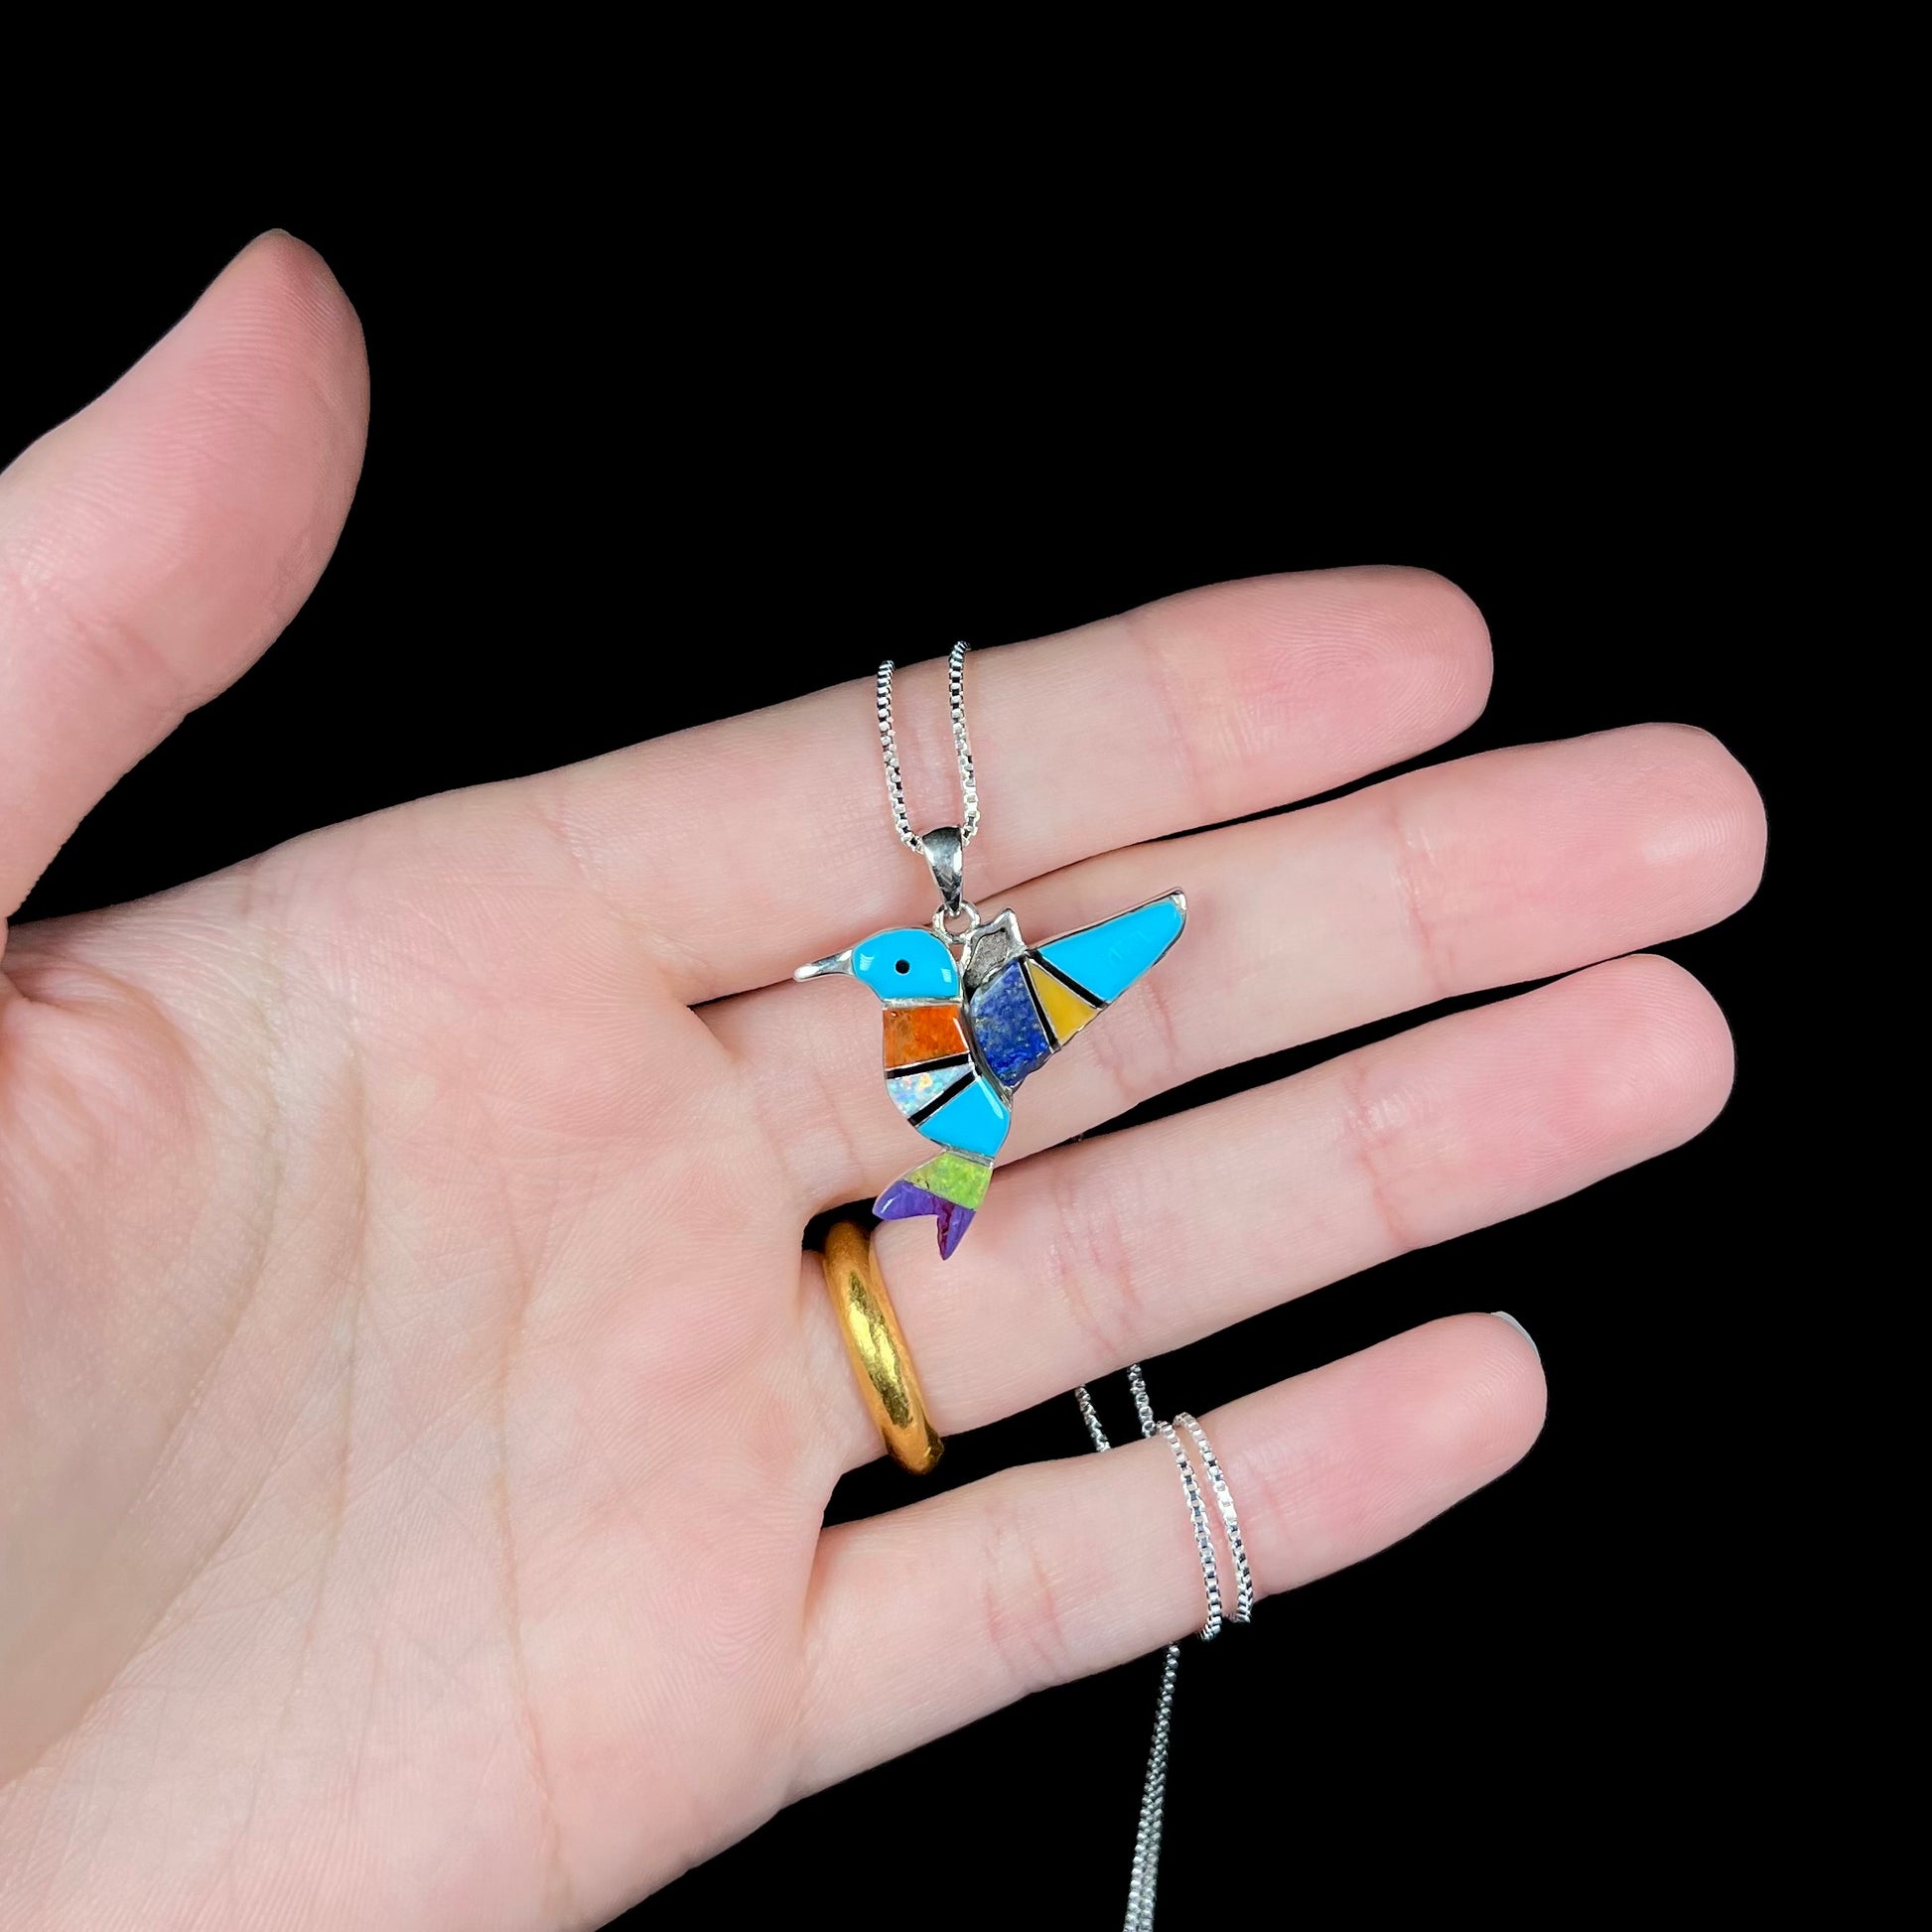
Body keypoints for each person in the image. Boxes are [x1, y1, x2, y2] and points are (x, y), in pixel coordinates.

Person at [0, 235, 1766, 1929]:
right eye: (910, 968)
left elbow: (1058, 987)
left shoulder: (965, 1050)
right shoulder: (931, 1054)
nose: (886, 966)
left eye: (908, 966)